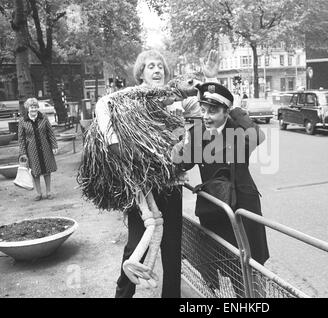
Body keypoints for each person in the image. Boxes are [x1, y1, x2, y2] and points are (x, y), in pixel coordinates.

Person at [94, 49, 220, 298]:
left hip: (171, 185)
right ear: (141, 73)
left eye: (160, 66)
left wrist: (211, 79)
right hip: (141, 186)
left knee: (172, 250)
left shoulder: (179, 100)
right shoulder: (131, 97)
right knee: (135, 247)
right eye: (151, 66)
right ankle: (123, 295)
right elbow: (102, 106)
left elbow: (210, 108)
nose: (157, 70)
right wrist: (115, 145)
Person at [175, 82, 270, 296]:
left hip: (243, 210)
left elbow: (258, 136)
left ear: (226, 112)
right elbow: (184, 162)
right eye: (204, 110)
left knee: (250, 270)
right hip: (215, 211)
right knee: (225, 267)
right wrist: (180, 148)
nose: (207, 116)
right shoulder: (198, 132)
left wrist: (236, 109)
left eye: (214, 111)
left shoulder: (238, 130)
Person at [18, 98, 58, 201]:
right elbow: (21, 138)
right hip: (31, 150)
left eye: (35, 107)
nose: (34, 109)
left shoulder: (43, 117)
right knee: (35, 171)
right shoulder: (22, 120)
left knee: (47, 170)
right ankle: (38, 193)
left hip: (45, 148)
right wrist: (23, 153)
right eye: (32, 107)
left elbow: (50, 133)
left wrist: (54, 146)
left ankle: (48, 192)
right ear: (28, 108)